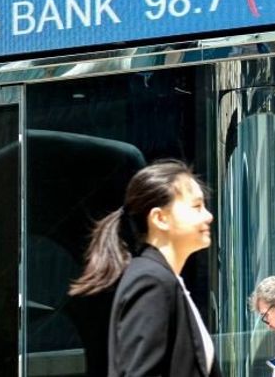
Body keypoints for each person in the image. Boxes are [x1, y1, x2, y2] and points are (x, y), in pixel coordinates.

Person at [70, 159, 219, 377]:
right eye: (196, 206)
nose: (208, 216)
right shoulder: (151, 281)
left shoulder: (163, 279)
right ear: (160, 218)